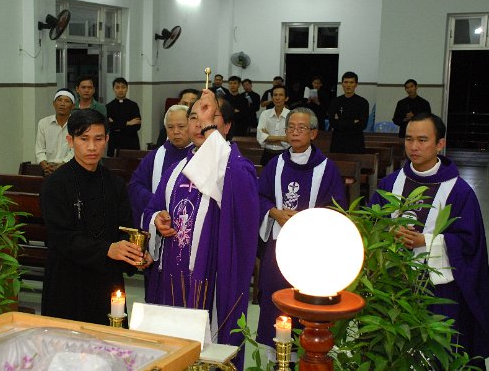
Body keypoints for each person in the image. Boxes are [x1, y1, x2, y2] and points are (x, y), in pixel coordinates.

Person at [141, 90, 258, 369]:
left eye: (209, 116)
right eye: (194, 117)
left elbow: (244, 218)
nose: (199, 123)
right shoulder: (176, 168)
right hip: (172, 275)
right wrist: (157, 219)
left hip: (212, 277)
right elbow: (152, 207)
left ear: (226, 126)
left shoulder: (236, 168)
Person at [370, 113, 489, 367]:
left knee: (437, 355)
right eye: (409, 139)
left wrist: (426, 241)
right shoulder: (389, 183)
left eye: (422, 140)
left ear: (440, 144)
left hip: (438, 290)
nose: (414, 147)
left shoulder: (459, 191)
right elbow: (371, 224)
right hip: (393, 285)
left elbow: (470, 245)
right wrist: (386, 233)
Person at [40, 109, 153, 325]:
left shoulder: (115, 184)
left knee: (108, 342)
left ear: (107, 140)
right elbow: (62, 237)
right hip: (67, 282)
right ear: (70, 141)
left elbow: (125, 228)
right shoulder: (55, 184)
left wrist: (135, 255)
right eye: (84, 139)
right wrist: (107, 249)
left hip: (106, 281)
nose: (92, 147)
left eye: (98, 139)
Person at [256, 107, 346, 354]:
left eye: (301, 128)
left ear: (313, 133)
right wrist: (274, 213)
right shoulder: (275, 164)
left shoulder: (326, 168)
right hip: (278, 247)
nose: (295, 132)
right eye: (291, 128)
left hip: (311, 252)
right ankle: (275, 356)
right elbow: (260, 197)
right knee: (275, 300)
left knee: (305, 304)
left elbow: (337, 208)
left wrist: (306, 220)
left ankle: (309, 353)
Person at [128, 104, 193, 227]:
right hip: (161, 221)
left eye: (181, 126)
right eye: (170, 127)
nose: (176, 131)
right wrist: (156, 202)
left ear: (191, 126)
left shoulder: (200, 155)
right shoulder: (155, 156)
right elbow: (135, 186)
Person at [35, 88, 75, 176]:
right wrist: (45, 166)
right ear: (54, 103)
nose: (62, 104)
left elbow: (75, 151)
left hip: (70, 169)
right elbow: (39, 149)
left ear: (73, 106)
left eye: (67, 101)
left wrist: (61, 166)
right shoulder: (43, 123)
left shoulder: (77, 124)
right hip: (47, 170)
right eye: (59, 100)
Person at [328, 71, 369, 154]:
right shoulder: (335, 102)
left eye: (351, 82)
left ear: (356, 84)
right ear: (342, 84)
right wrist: (353, 121)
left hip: (355, 142)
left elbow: (362, 125)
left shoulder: (363, 102)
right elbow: (332, 123)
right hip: (338, 142)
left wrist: (340, 121)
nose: (348, 85)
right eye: (346, 82)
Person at [106, 77, 141, 157]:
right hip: (115, 143)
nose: (120, 90)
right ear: (113, 89)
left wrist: (117, 125)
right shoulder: (109, 107)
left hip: (131, 142)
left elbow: (137, 126)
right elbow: (109, 126)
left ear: (127, 88)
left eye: (123, 87)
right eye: (117, 87)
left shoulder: (133, 105)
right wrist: (128, 123)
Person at [256, 85, 290, 166]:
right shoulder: (265, 114)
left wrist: (268, 138)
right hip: (267, 154)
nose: (277, 98)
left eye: (281, 95)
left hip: (285, 154)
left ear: (286, 98)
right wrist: (282, 138)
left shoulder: (291, 115)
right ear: (272, 98)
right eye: (275, 95)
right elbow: (260, 137)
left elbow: (290, 140)